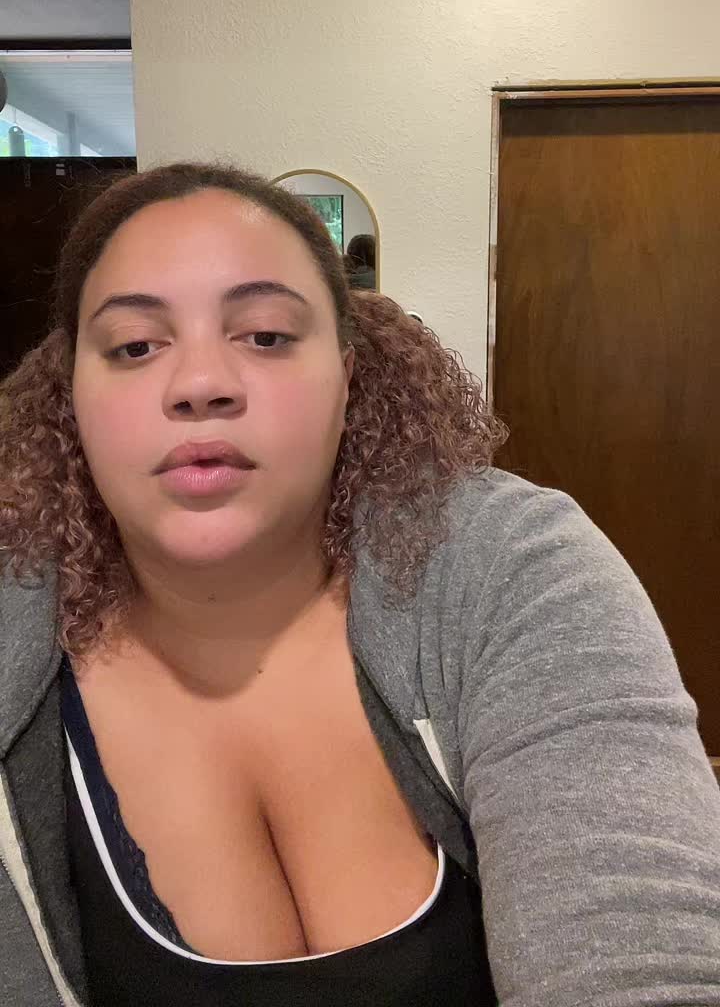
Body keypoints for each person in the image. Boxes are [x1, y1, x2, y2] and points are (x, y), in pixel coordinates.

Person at [0, 161, 718, 1007]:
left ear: (347, 374)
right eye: (133, 346)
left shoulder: (507, 566)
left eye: (265, 335)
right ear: (71, 397)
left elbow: (642, 957)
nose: (199, 385)